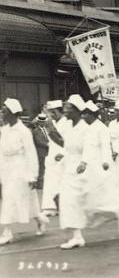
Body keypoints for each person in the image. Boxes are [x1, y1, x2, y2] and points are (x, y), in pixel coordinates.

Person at [57, 96, 119, 249]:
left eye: (69, 107)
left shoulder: (87, 129)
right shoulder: (69, 126)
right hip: (71, 168)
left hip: (85, 167)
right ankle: (77, 236)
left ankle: (118, 214)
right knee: (70, 200)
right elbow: (69, 147)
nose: (65, 110)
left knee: (96, 198)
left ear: (77, 111)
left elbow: (90, 148)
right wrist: (62, 153)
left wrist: (84, 162)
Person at [0, 98, 49, 245]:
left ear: (13, 113)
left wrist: (33, 175)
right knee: (27, 200)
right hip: (7, 169)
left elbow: (31, 154)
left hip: (20, 169)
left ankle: (6, 232)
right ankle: (40, 219)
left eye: (4, 111)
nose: (2, 114)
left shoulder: (24, 131)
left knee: (8, 198)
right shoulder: (4, 129)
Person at [42, 100, 72, 215]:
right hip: (51, 157)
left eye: (53, 112)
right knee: (50, 182)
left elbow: (66, 141)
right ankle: (50, 208)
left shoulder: (67, 123)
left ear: (59, 111)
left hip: (63, 157)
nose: (52, 115)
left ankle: (62, 207)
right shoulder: (53, 123)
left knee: (61, 183)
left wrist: (63, 153)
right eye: (50, 112)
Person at [32, 113, 50, 189]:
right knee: (41, 168)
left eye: (44, 122)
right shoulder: (35, 131)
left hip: (47, 152)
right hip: (40, 152)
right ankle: (40, 184)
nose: (42, 123)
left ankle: (44, 183)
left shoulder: (47, 130)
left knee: (46, 168)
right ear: (38, 122)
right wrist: (49, 145)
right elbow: (38, 141)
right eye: (41, 122)